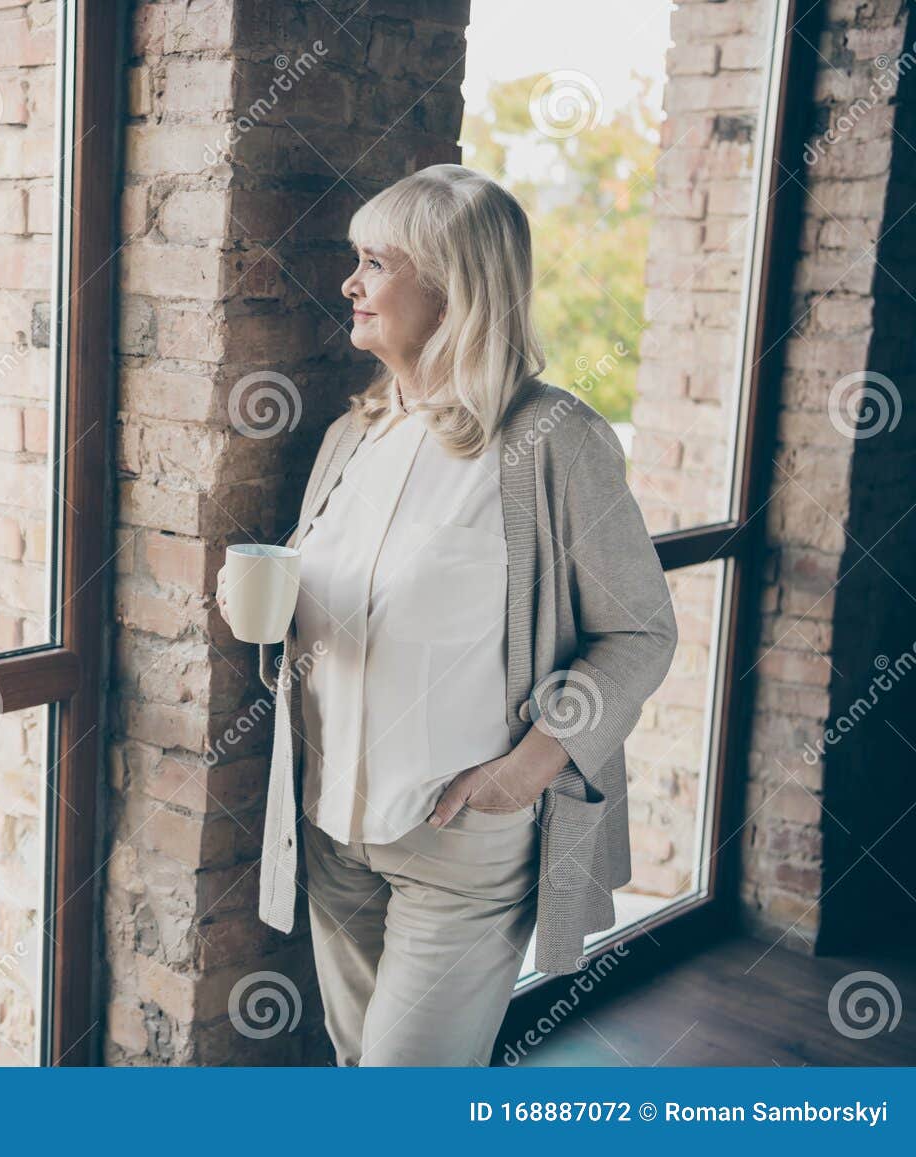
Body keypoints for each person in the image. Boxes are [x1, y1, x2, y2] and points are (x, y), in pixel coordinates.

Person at [216, 164, 677, 1066]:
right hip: (332, 827)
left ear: (454, 290)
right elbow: (341, 609)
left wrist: (525, 771)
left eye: (375, 262)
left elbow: (640, 633)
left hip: (462, 840)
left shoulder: (554, 441)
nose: (350, 283)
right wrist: (266, 617)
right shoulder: (355, 434)